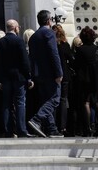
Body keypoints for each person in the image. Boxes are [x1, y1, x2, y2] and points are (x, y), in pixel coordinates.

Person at [0, 19, 33, 138]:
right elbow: (25, 62)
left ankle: (7, 130)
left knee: (6, 104)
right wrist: (28, 77)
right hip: (19, 78)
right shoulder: (19, 41)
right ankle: (21, 130)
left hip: (5, 78)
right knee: (20, 103)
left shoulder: (0, 42)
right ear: (15, 28)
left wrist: (0, 79)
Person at [28, 10, 63, 138]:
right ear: (49, 21)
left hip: (39, 74)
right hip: (50, 73)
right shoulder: (49, 33)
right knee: (54, 99)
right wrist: (58, 72)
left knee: (45, 101)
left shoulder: (34, 36)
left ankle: (51, 129)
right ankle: (37, 120)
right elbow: (54, 54)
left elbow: (31, 57)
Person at [74, 26, 98, 137]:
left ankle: (88, 128)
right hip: (96, 77)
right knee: (96, 102)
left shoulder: (80, 50)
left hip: (84, 78)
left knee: (85, 102)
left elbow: (76, 64)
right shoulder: (97, 49)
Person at [53, 24, 73, 136]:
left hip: (54, 75)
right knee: (63, 100)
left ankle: (55, 124)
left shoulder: (52, 44)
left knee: (54, 100)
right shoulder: (65, 45)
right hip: (65, 75)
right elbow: (71, 58)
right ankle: (63, 126)